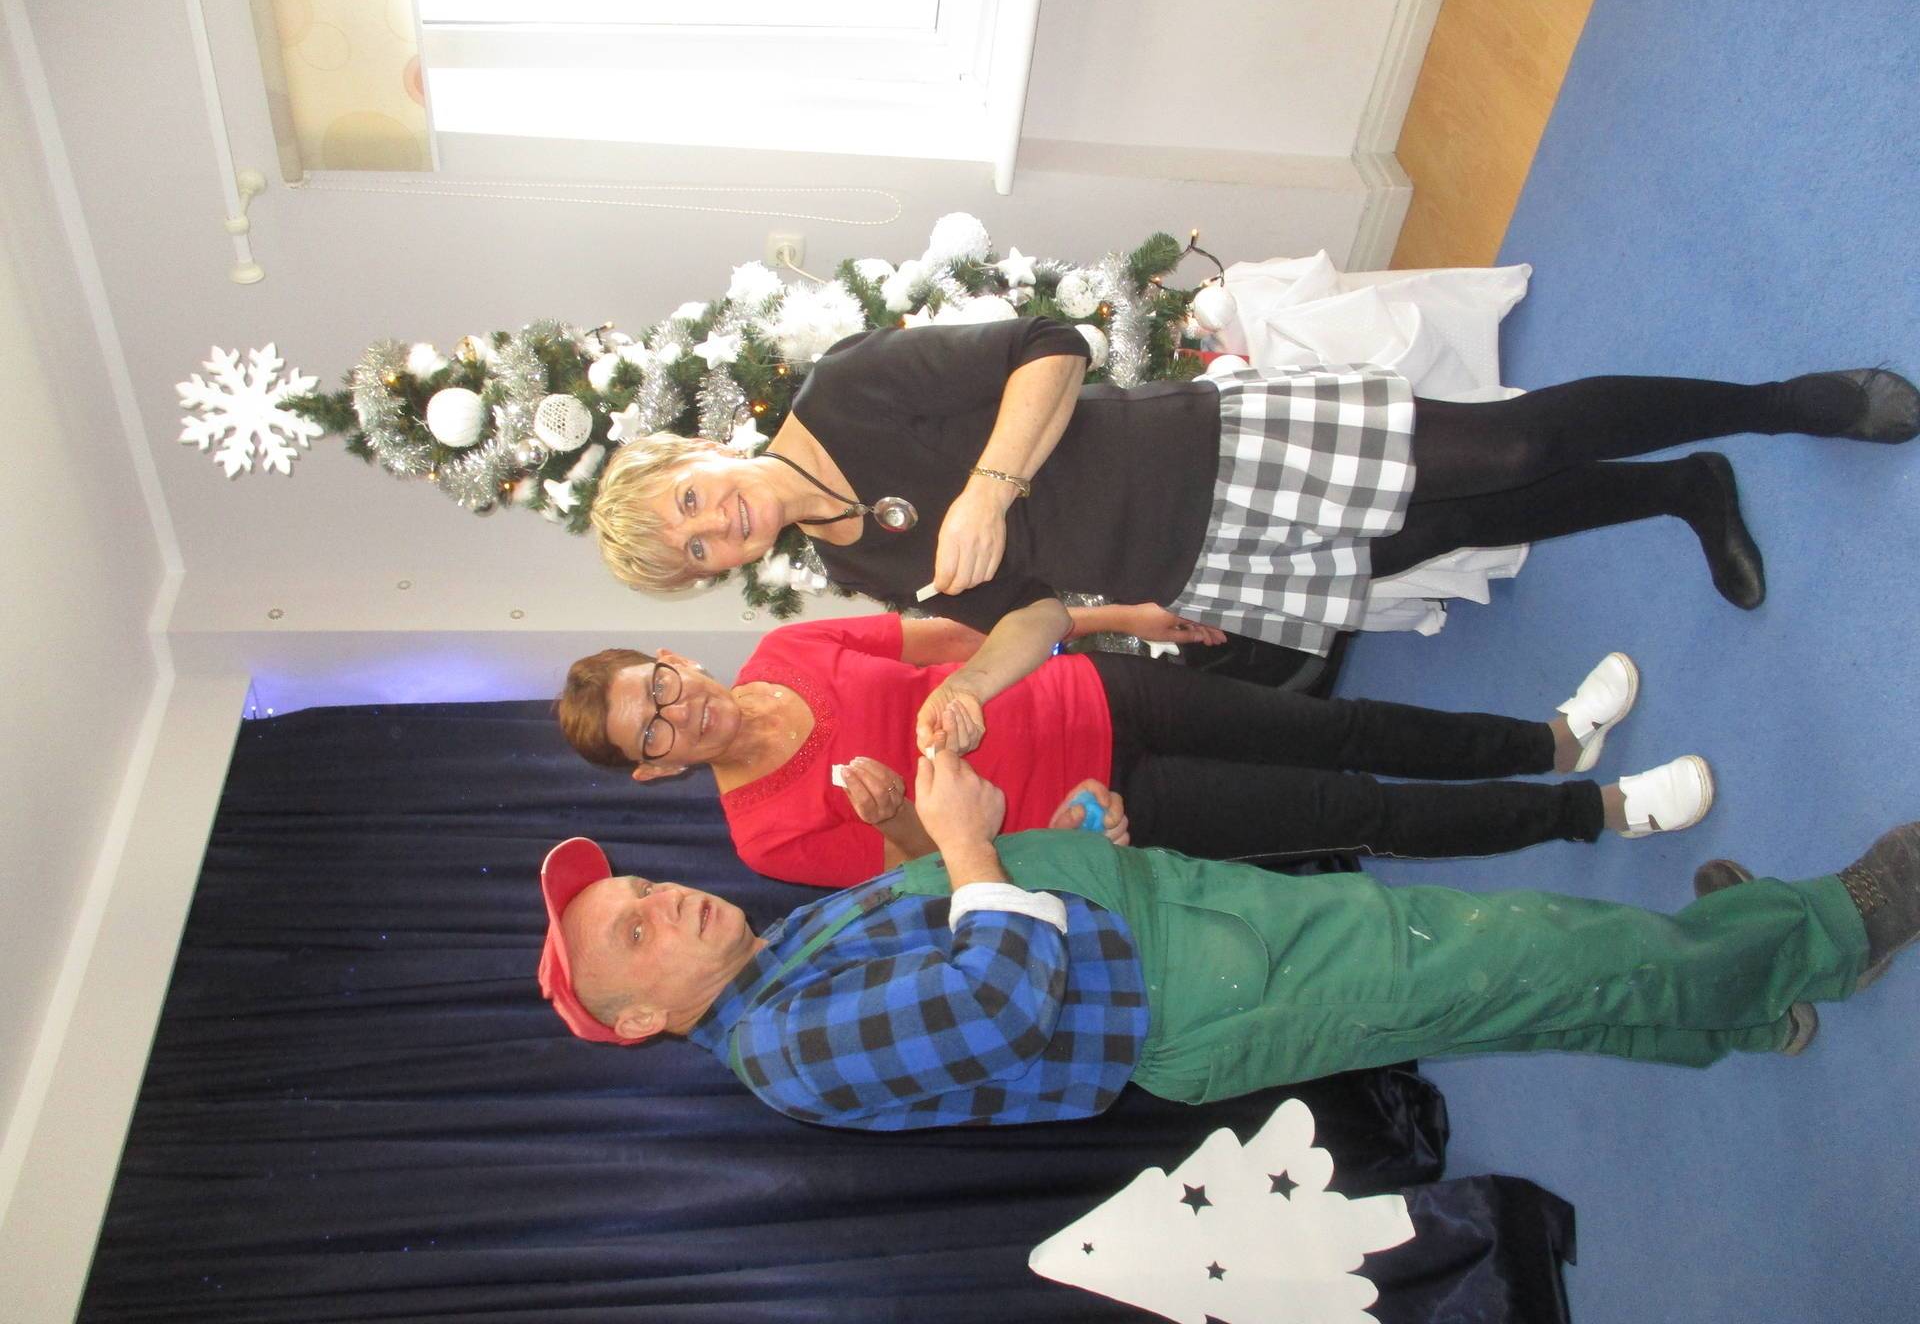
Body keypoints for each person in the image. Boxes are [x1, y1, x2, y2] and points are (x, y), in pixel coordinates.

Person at [588, 313, 1920, 758]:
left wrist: (989, 483)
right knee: (1458, 526)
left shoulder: (847, 391)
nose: (716, 526)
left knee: (1510, 446)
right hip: (1205, 564)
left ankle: (1787, 403)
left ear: (698, 454)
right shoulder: (850, 563)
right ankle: (1683, 490)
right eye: (696, 552)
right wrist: (977, 689)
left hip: (1210, 452)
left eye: (689, 501)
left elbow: (1051, 348)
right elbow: (1035, 609)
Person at [536, 749, 1918, 1132]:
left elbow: (966, 928)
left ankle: (1739, 993)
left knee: (1506, 987)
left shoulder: (780, 959)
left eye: (641, 887)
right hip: (1196, 991)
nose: (667, 901)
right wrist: (964, 846)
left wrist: (1023, 840)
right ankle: (1836, 928)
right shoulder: (780, 1051)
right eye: (635, 935)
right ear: (644, 1017)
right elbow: (998, 1004)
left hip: (1174, 930)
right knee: (1520, 949)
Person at [555, 616, 1708, 887]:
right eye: (649, 730)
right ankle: (1596, 812)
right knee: (1356, 809)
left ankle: (1553, 739)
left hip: (1100, 691)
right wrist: (894, 813)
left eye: (660, 686)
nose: (675, 713)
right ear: (653, 768)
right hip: (1105, 812)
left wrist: (1113, 623)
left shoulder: (789, 648)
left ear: (674, 658)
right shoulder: (764, 836)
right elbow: (937, 874)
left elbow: (963, 638)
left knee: (1340, 725)